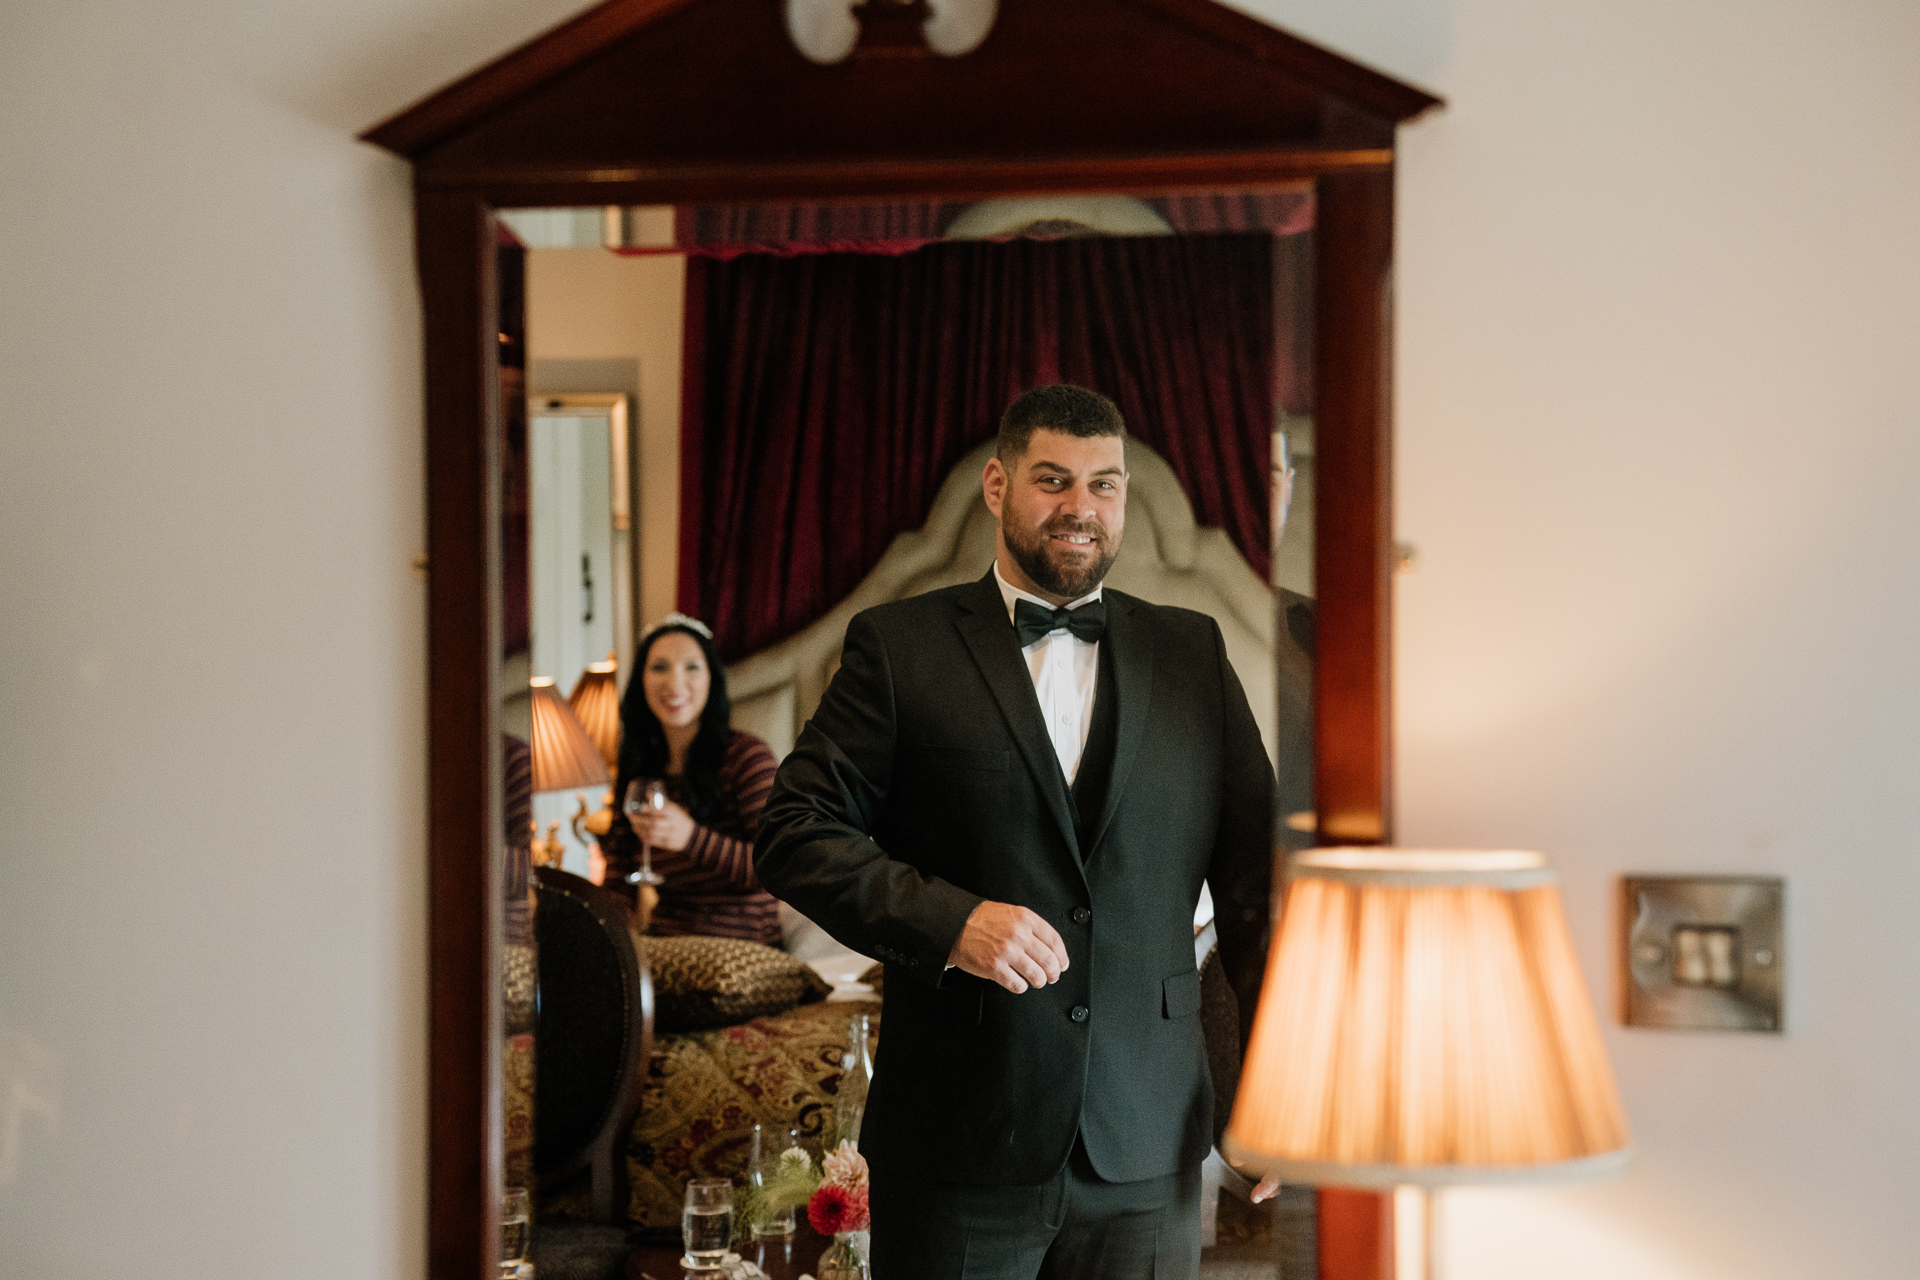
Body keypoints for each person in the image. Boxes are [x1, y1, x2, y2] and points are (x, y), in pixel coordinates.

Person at [754, 384, 1277, 1279]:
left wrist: (1276, 1096)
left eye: (1104, 485)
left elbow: (1257, 893)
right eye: (1053, 480)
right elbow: (794, 832)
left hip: (1146, 1136)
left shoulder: (1195, 655)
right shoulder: (899, 646)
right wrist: (951, 922)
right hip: (958, 1133)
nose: (1081, 508)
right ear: (997, 486)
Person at [602, 614, 782, 945]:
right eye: (659, 667)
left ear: (712, 677)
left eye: (691, 667)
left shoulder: (747, 757)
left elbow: (777, 867)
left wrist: (691, 838)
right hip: (668, 945)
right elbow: (618, 873)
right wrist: (607, 935)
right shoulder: (640, 766)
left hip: (744, 948)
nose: (674, 683)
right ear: (641, 680)